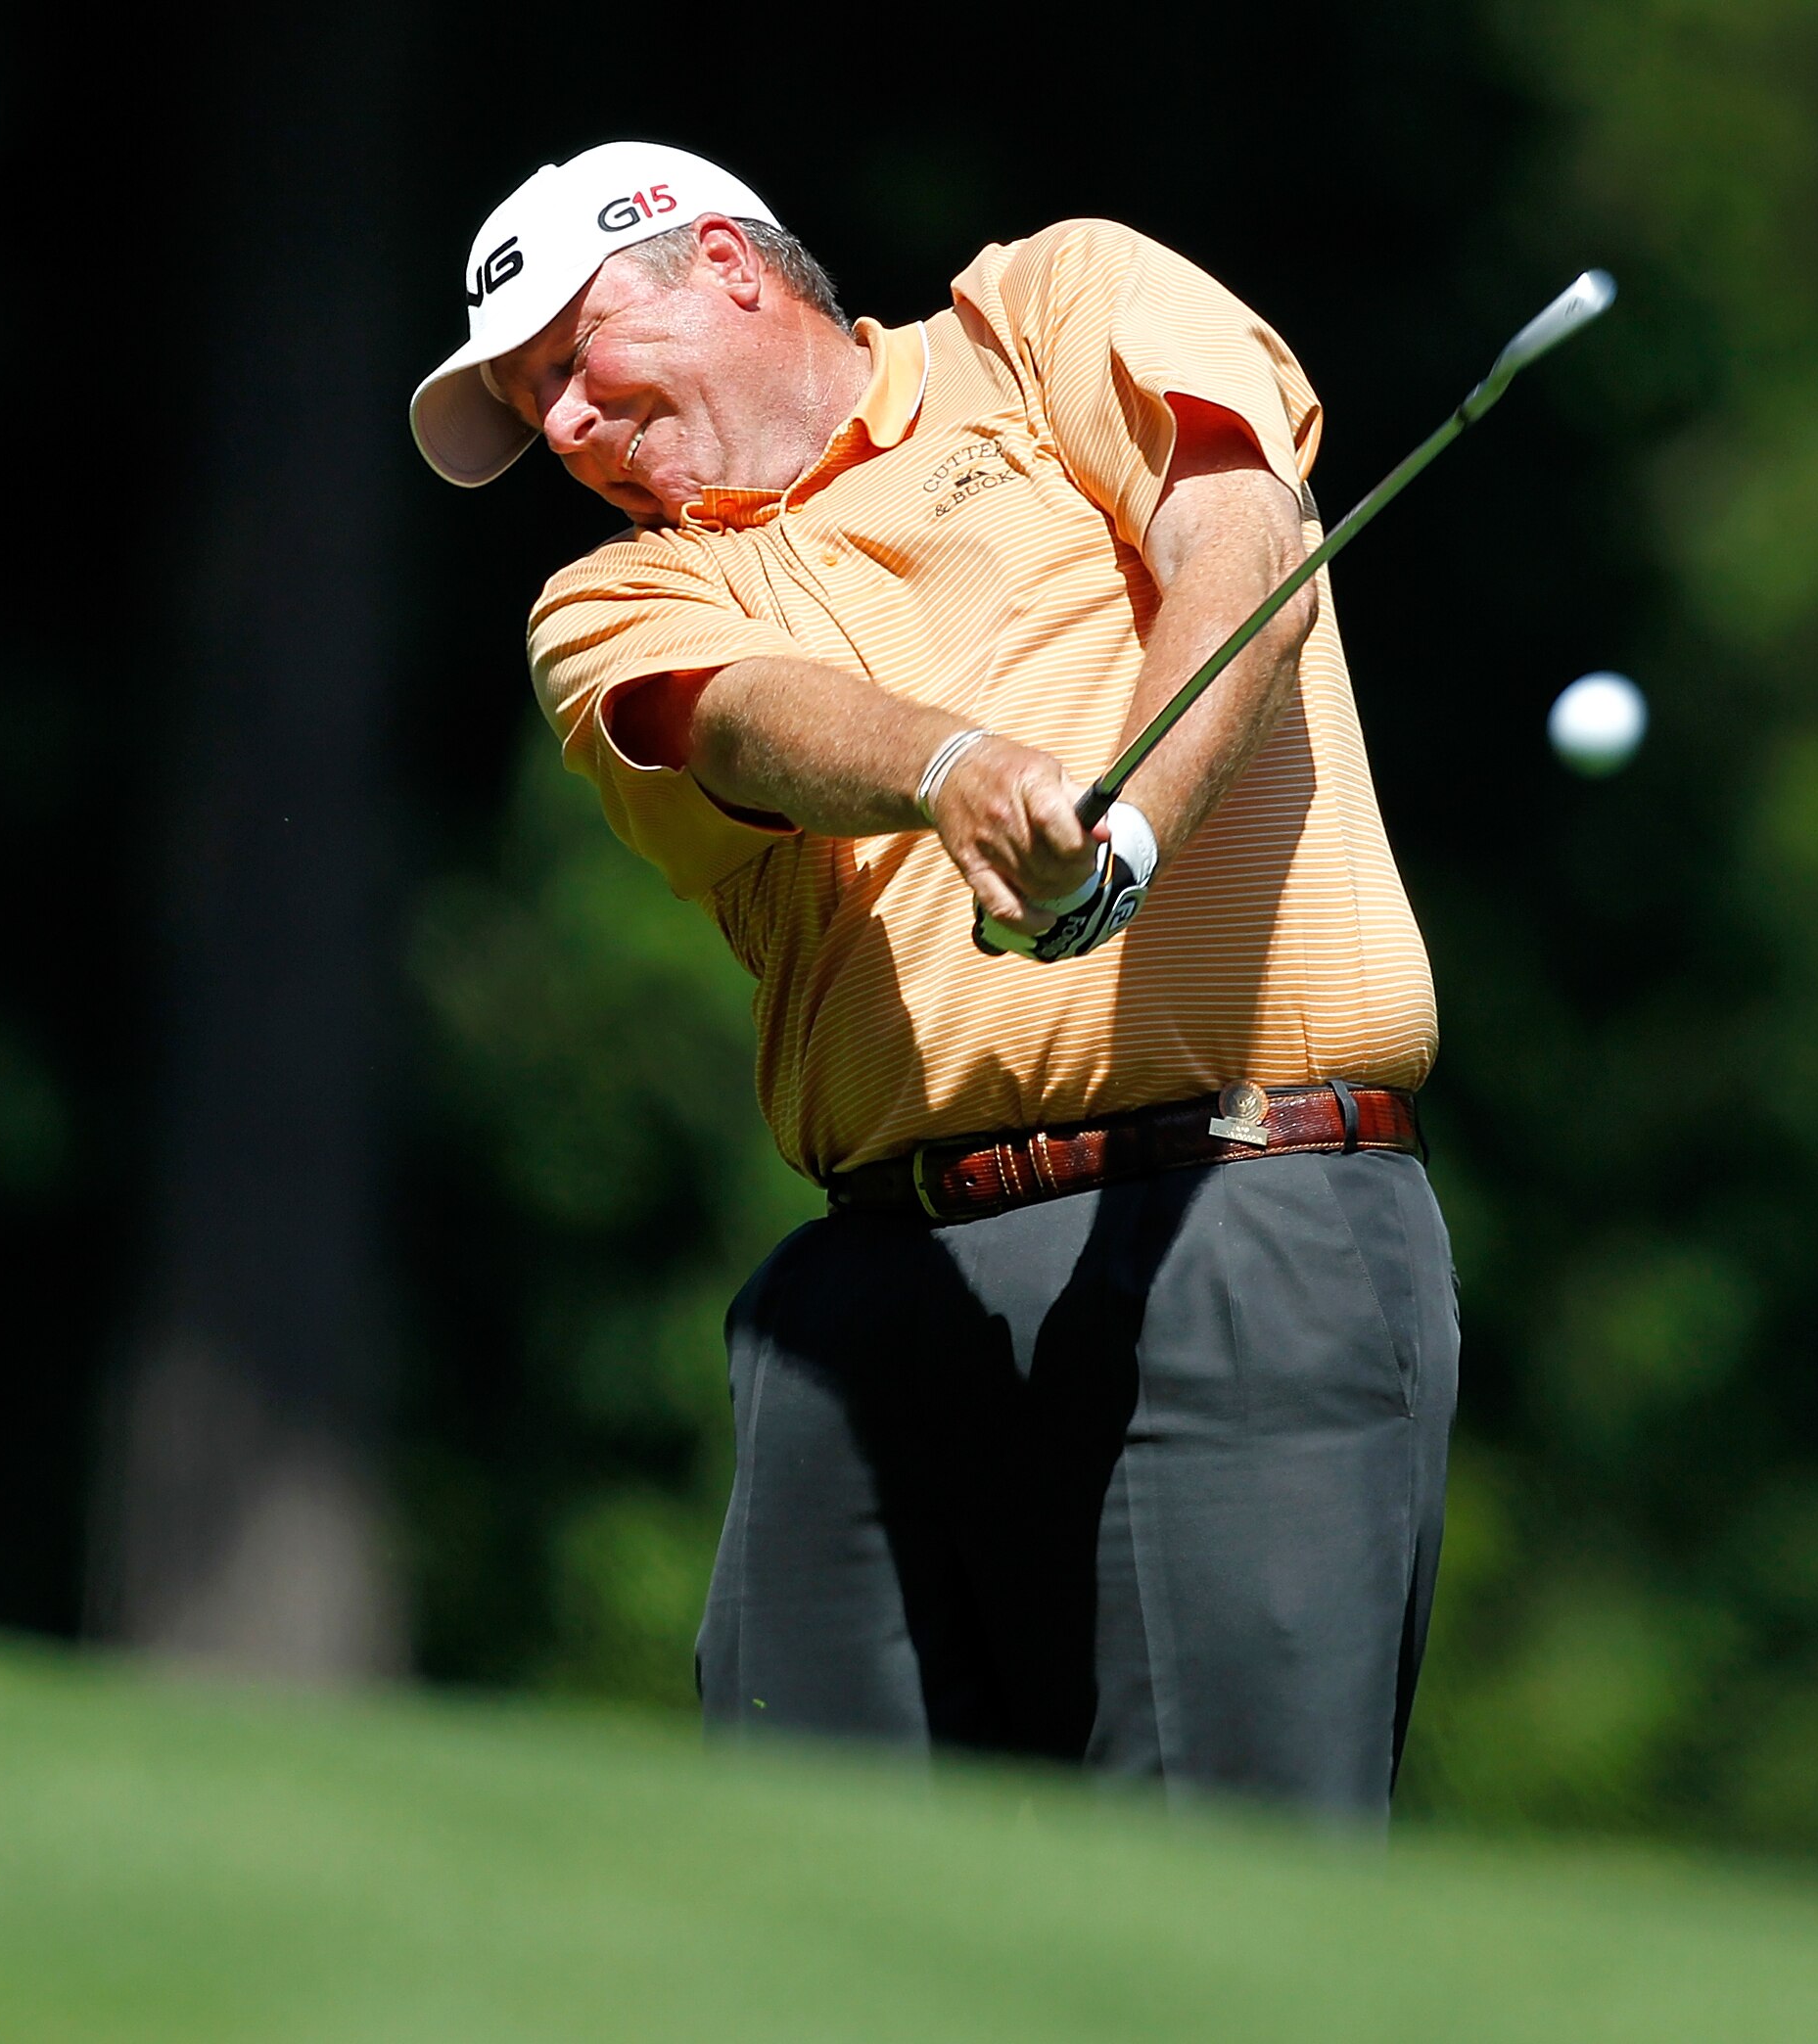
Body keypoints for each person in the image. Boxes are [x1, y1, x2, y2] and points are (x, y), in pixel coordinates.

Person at [409, 142, 1457, 1815]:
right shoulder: (612, 595)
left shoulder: (1044, 310)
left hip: (1243, 1217)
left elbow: (1242, 543)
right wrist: (957, 769)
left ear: (725, 267)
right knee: (821, 1918)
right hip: (878, 1289)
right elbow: (742, 718)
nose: (563, 428)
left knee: (1226, 1899)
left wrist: (1127, 833)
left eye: (570, 358)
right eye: (531, 405)